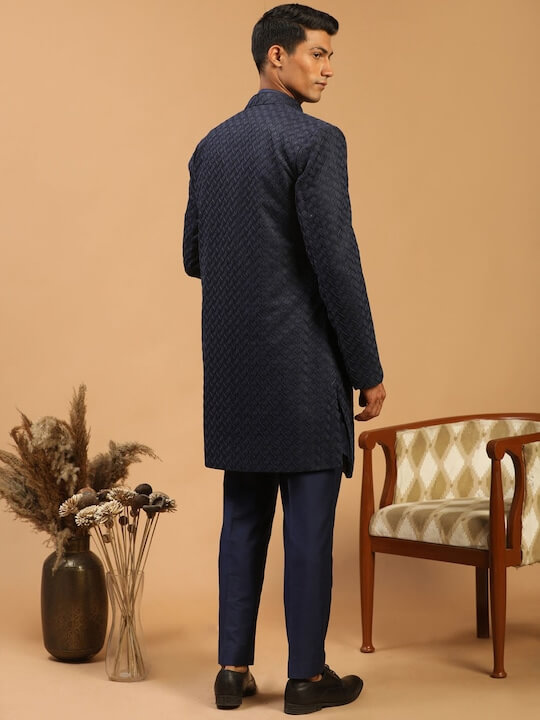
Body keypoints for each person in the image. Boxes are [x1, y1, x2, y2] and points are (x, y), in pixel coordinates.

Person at [183, 3, 386, 714]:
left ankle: (231, 672)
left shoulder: (210, 146)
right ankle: (305, 678)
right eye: (317, 53)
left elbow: (194, 256)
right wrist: (367, 369)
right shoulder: (317, 141)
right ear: (277, 56)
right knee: (306, 531)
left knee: (242, 521)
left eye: (330, 56)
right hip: (301, 369)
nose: (328, 69)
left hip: (233, 371)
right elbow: (337, 264)